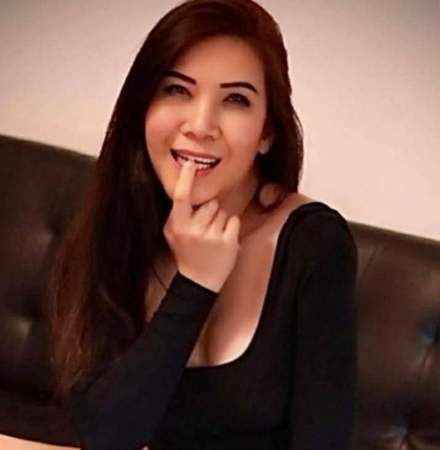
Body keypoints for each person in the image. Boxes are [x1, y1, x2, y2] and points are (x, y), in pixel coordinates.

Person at [47, 0, 358, 449]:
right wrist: (194, 284)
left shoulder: (314, 243)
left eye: (236, 99)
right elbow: (104, 436)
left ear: (267, 132)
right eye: (177, 90)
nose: (200, 125)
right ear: (143, 107)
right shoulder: (117, 222)